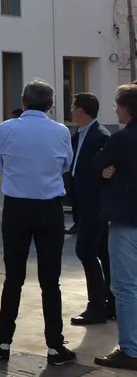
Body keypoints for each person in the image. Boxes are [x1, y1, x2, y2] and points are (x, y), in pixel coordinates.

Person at [0, 79, 75, 366]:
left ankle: (3, 341)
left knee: (13, 277)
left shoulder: (7, 128)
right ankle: (55, 346)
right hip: (50, 208)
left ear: (23, 102)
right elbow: (65, 165)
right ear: (51, 105)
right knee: (51, 280)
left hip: (16, 207)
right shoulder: (61, 131)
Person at [92, 84, 137, 369]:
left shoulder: (121, 139)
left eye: (117, 106)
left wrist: (106, 171)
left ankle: (130, 349)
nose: (115, 111)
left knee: (125, 287)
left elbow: (96, 166)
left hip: (127, 221)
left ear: (127, 109)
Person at [69, 92, 113, 325]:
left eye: (72, 107)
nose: (70, 111)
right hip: (82, 201)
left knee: (86, 251)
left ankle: (97, 306)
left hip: (95, 204)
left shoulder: (100, 136)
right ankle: (110, 303)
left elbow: (107, 171)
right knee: (102, 252)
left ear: (80, 111)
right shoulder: (79, 134)